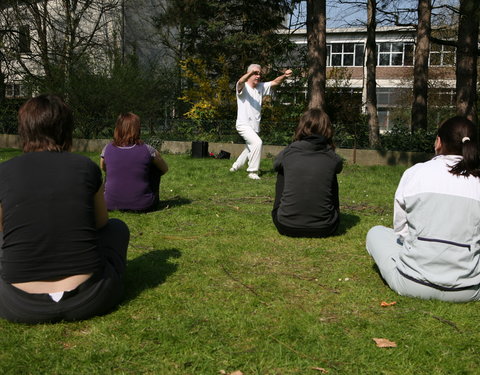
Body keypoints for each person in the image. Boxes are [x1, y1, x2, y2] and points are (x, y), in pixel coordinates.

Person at [0, 94, 130, 324]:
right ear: (66, 130)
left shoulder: (4, 172)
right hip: (90, 296)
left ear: (25, 131)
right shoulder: (85, 167)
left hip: (19, 304)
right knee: (118, 228)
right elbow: (101, 223)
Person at [366, 116, 480, 302]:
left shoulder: (416, 173)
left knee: (376, 232)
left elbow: (401, 230)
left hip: (412, 282)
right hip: (469, 290)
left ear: (438, 142)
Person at [272, 109, 343, 237]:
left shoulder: (289, 152)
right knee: (330, 174)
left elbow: (276, 164)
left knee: (283, 170)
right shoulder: (331, 157)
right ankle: (326, 214)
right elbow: (338, 167)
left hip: (286, 226)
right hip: (326, 227)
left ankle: (288, 212)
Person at [230, 64, 293, 180]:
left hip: (255, 126)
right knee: (257, 143)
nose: (258, 76)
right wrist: (251, 73)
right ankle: (252, 172)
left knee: (250, 148)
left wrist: (284, 75)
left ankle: (235, 167)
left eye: (259, 74)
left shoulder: (261, 87)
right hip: (243, 125)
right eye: (255, 74)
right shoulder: (242, 87)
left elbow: (275, 82)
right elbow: (240, 80)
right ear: (249, 74)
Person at [100, 112, 169, 212]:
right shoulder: (148, 149)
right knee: (155, 170)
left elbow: (103, 168)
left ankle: (115, 196)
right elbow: (164, 169)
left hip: (109, 204)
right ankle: (144, 195)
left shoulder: (107, 149)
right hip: (144, 205)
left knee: (109, 172)